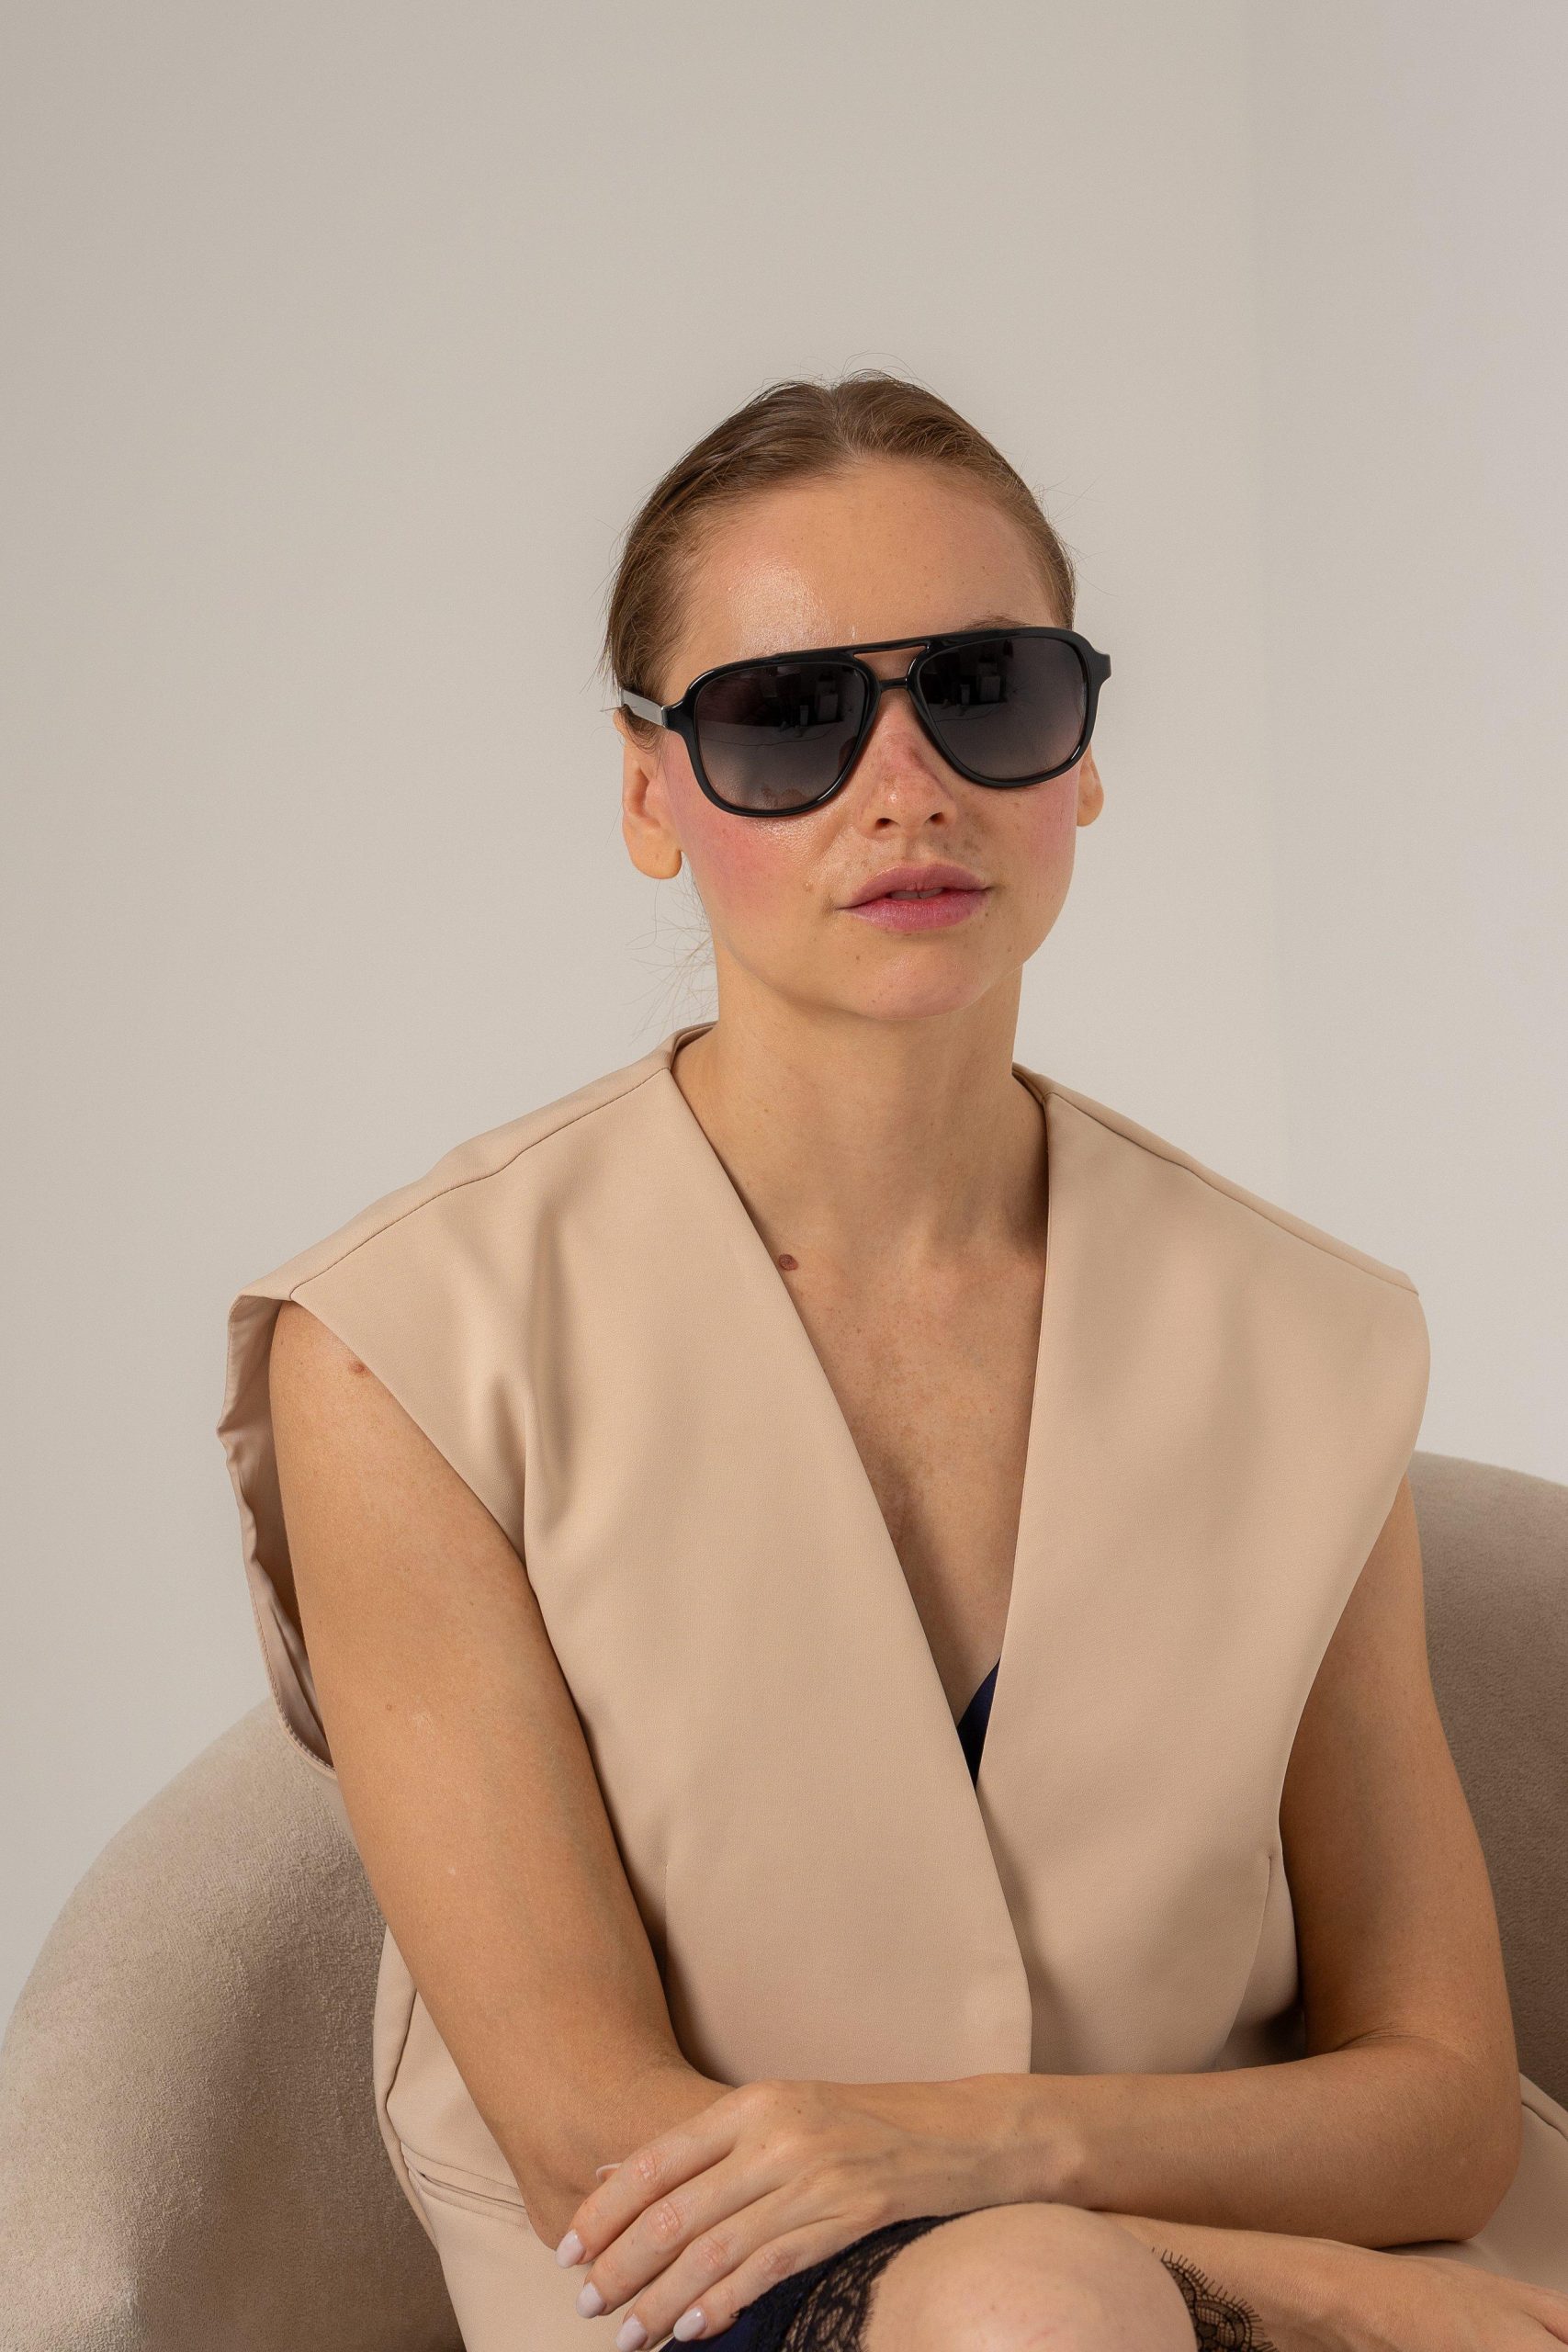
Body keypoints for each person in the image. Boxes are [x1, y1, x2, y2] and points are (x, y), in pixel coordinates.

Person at [218, 372, 1568, 2352]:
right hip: (713, 2292)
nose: (908, 782)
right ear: (648, 792)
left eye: (986, 690)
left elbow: (1440, 2108)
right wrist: (1250, 2282)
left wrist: (981, 2150)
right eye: (788, 715)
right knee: (1030, 2308)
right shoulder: (401, 1350)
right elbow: (594, 2139)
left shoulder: (1309, 1339)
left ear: (1080, 760)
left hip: (1245, 2257)